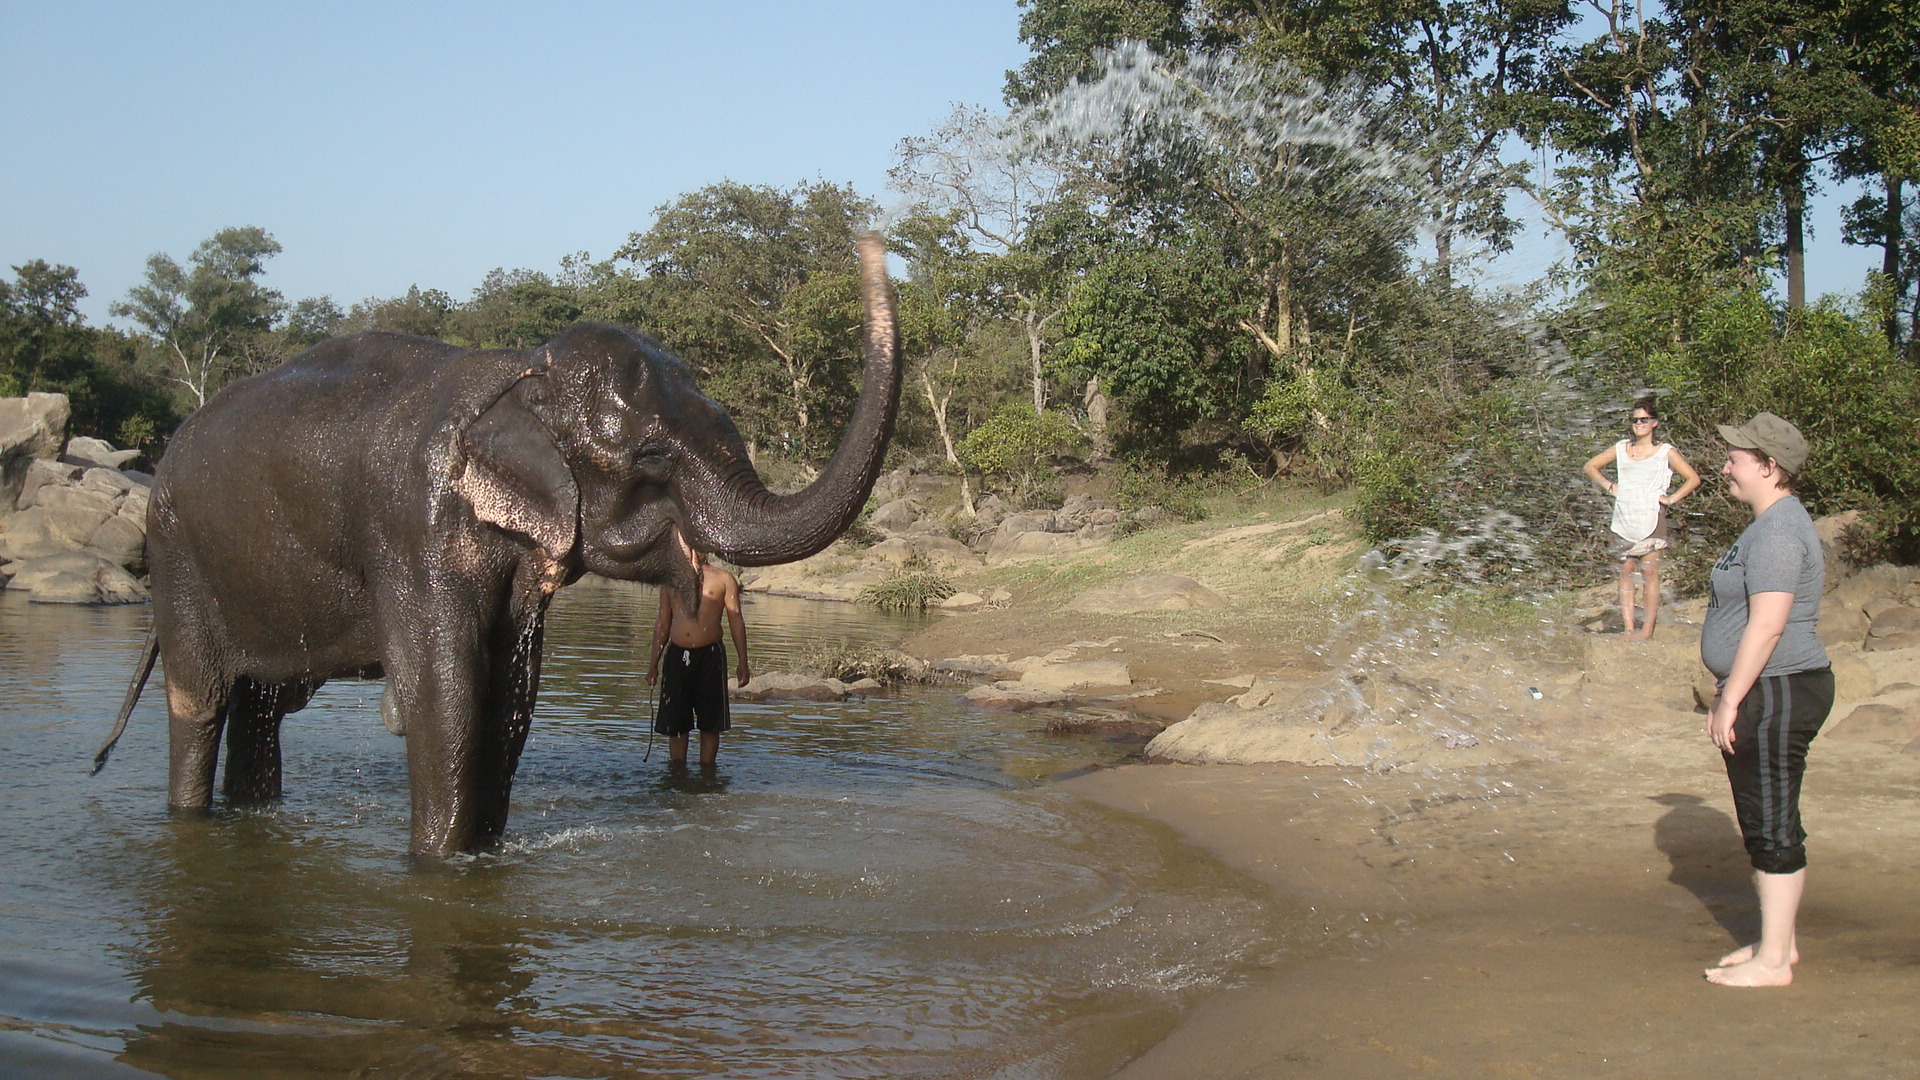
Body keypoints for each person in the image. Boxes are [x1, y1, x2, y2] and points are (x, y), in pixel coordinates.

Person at [1699, 411, 1832, 988]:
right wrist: (1728, 691)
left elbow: (1769, 623)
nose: (1726, 468)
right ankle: (1779, 943)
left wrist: (1731, 697)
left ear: (1769, 466)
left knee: (1771, 819)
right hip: (1767, 686)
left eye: (1735, 459)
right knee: (1763, 815)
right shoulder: (1768, 525)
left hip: (1778, 686)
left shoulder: (1778, 530)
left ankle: (1774, 962)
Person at [1582, 397, 1701, 640]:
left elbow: (1693, 478)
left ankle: (1646, 630)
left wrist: (1671, 499)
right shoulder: (1621, 448)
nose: (1638, 423)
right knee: (1626, 571)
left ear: (1654, 423)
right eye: (1635, 419)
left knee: (1649, 573)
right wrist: (1608, 485)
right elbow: (1590, 466)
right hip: (1624, 517)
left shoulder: (1665, 452)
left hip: (1651, 517)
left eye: (1644, 420)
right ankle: (1628, 628)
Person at [646, 550, 751, 768]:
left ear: (706, 549)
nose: (693, 552)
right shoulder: (670, 581)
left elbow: (736, 620)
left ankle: (708, 772)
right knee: (676, 722)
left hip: (711, 656)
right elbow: (662, 622)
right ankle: (677, 772)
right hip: (677, 655)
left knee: (711, 722)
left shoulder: (723, 579)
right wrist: (653, 664)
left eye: (698, 547)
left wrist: (743, 661)